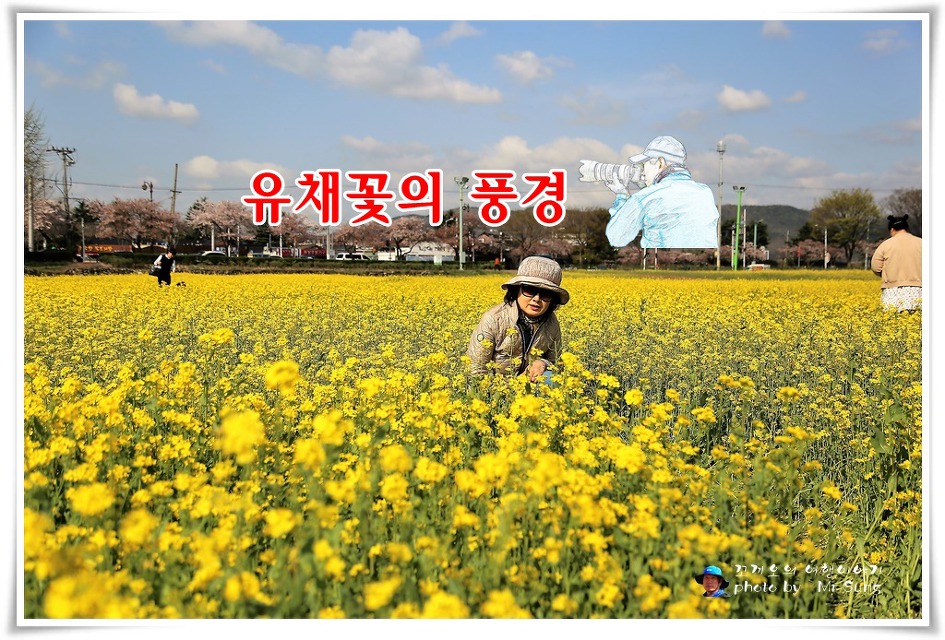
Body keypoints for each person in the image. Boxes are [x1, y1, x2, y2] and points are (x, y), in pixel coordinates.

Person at [604, 135, 719, 250]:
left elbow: (616, 237)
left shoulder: (646, 197)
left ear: (660, 163)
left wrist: (622, 195)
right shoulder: (705, 193)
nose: (643, 171)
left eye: (644, 164)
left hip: (660, 259)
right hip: (705, 258)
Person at [467, 256, 567, 384]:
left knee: (552, 379)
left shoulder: (551, 322)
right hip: (495, 389)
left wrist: (542, 363)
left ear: (553, 299)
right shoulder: (494, 319)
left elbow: (556, 363)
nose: (537, 299)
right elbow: (475, 370)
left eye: (546, 294)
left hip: (529, 386)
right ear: (516, 290)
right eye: (529, 290)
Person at [871, 215, 922, 312]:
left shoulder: (885, 245)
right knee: (915, 318)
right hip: (918, 289)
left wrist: (885, 274)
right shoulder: (921, 243)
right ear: (906, 228)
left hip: (891, 289)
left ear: (892, 229)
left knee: (892, 317)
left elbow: (876, 267)